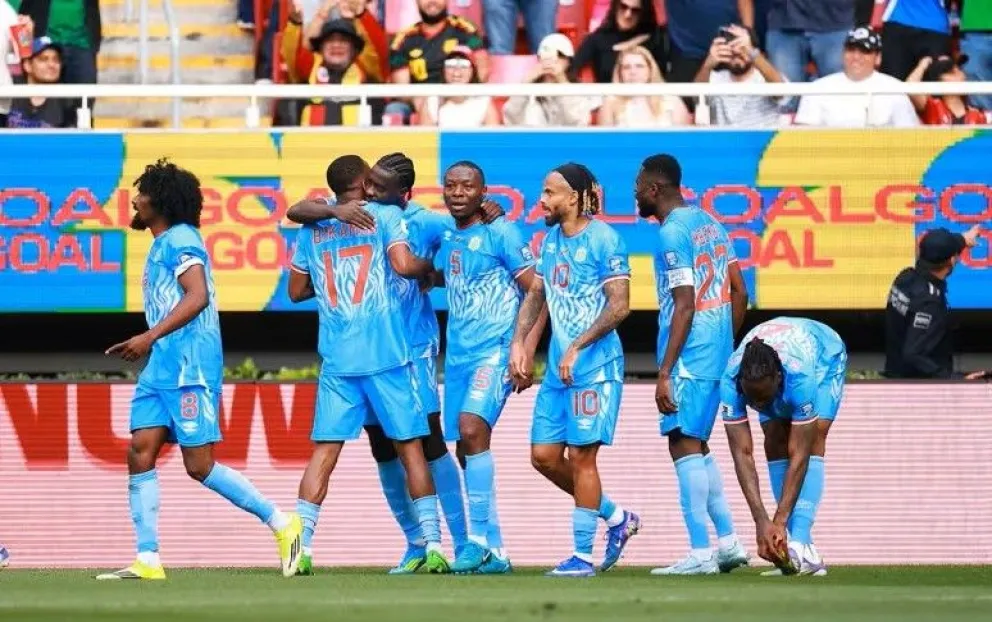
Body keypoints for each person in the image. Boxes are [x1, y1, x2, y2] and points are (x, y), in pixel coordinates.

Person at [98, 159, 302, 580]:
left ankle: (282, 523)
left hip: (190, 368)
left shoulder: (182, 239)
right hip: (162, 367)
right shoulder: (162, 243)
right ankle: (148, 558)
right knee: (139, 450)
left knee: (199, 465)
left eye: (142, 192)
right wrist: (153, 344)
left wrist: (148, 336)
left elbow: (198, 296)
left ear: (160, 200)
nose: (135, 200)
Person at [287, 155, 451, 575]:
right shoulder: (384, 216)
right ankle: (434, 546)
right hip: (386, 355)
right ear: (363, 184)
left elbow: (296, 291)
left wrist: (334, 277)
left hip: (337, 359)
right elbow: (403, 266)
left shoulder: (312, 228)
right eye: (371, 181)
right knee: (410, 448)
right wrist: (429, 271)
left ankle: (299, 550)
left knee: (324, 453)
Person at [510, 163, 639, 578]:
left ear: (574, 197)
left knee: (582, 458)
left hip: (595, 367)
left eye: (549, 193)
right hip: (559, 370)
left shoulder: (605, 239)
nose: (541, 200)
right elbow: (536, 294)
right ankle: (617, 517)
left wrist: (578, 346)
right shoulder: (549, 240)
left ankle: (582, 557)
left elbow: (620, 306)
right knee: (544, 457)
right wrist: (519, 342)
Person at [633, 154, 750, 576]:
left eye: (638, 186)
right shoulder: (710, 223)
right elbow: (740, 291)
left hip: (688, 358)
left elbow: (684, 305)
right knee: (697, 445)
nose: (635, 193)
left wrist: (665, 371)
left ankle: (700, 553)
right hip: (714, 354)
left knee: (682, 443)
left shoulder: (671, 234)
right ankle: (729, 543)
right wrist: (724, 345)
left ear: (655, 189)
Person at [432, 161, 544, 574]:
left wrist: (524, 348)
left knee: (471, 428)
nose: (458, 193)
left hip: (496, 350)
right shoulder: (446, 233)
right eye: (451, 186)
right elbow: (453, 273)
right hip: (459, 355)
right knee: (466, 448)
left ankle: (476, 542)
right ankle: (496, 552)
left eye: (467, 186)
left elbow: (538, 290)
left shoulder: (503, 232)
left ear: (483, 192)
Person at [719, 317, 848, 577]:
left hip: (825, 358)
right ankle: (797, 550)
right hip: (779, 359)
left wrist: (779, 520)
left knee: (814, 438)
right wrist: (761, 521)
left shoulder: (801, 378)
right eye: (753, 399)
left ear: (778, 378)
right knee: (773, 437)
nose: (760, 404)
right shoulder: (730, 382)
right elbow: (742, 454)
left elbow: (799, 455)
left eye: (764, 397)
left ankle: (799, 542)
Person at [884, 226, 988, 379]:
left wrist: (963, 239)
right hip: (917, 385)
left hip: (894, 372)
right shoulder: (929, 302)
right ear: (952, 260)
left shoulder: (905, 277)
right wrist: (953, 379)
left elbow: (936, 247)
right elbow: (913, 354)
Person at [794, 26, 920, 127]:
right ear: (843, 54)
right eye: (851, 50)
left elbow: (910, 136)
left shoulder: (895, 89)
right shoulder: (817, 89)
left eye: (864, 51)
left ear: (878, 58)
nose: (856, 57)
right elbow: (804, 139)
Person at [570, 0, 666, 83]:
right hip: (607, 96)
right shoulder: (598, 38)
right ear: (615, 6)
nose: (628, 15)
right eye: (623, 7)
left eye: (635, 11)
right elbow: (573, 69)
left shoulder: (656, 39)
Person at [906, 55, 990, 125]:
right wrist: (923, 64)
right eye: (951, 71)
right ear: (937, 81)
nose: (960, 73)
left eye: (959, 68)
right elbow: (910, 86)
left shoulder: (980, 115)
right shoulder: (931, 107)